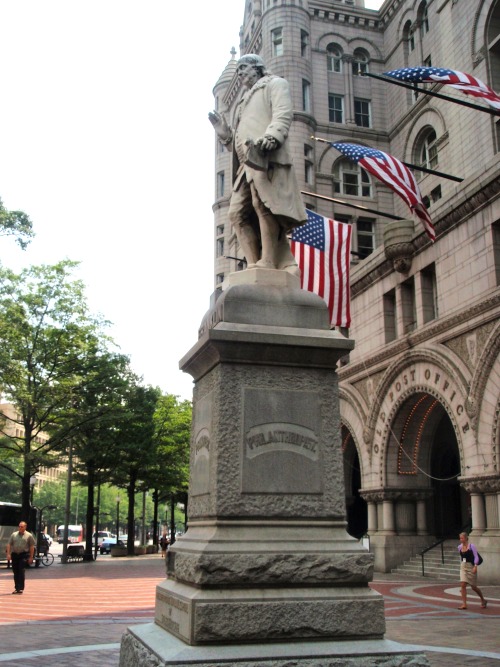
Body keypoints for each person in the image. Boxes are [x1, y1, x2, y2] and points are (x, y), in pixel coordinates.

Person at [209, 54, 307, 273]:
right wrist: (225, 134)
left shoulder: (275, 84)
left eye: (243, 67)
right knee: (236, 214)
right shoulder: (245, 101)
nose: (240, 73)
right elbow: (240, 137)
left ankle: (269, 262)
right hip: (246, 165)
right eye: (238, 70)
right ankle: (255, 264)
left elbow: (282, 114)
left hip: (265, 157)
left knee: (264, 206)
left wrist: (272, 137)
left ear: (257, 67)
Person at [457, 531, 487, 609]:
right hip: (463, 566)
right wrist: (463, 564)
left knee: (473, 587)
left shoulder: (471, 546)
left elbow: (476, 556)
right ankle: (464, 604)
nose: (461, 540)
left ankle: (483, 600)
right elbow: (462, 557)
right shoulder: (459, 547)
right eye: (460, 538)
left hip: (471, 566)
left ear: (466, 538)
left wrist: (475, 566)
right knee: (463, 584)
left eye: (462, 538)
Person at [6, 521, 35, 594]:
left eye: (21, 526)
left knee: (21, 571)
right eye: (19, 526)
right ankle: (17, 588)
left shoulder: (29, 535)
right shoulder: (14, 535)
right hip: (15, 555)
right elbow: (9, 544)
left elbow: (32, 546)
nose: (20, 528)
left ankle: (21, 588)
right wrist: (8, 554)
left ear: (25, 527)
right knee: (15, 572)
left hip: (23, 555)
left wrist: (31, 557)